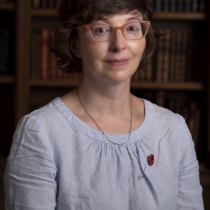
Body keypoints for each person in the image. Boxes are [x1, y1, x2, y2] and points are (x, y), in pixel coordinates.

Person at [4, 0, 204, 209]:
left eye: (132, 28)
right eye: (101, 30)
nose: (119, 45)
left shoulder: (174, 129)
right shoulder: (41, 132)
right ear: (75, 44)